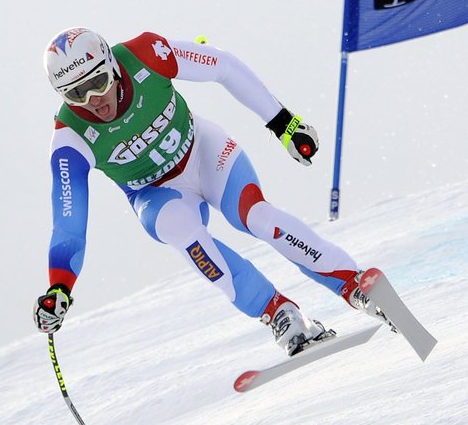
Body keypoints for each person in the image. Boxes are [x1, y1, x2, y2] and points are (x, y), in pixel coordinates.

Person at [33, 28, 382, 355]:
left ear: (111, 65)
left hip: (203, 153)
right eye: (76, 94)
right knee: (179, 230)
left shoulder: (145, 54)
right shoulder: (69, 138)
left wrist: (284, 123)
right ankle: (279, 313)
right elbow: (68, 225)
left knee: (257, 217)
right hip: (156, 194)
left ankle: (352, 284)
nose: (93, 100)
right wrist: (59, 286)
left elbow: (222, 66)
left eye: (98, 83)